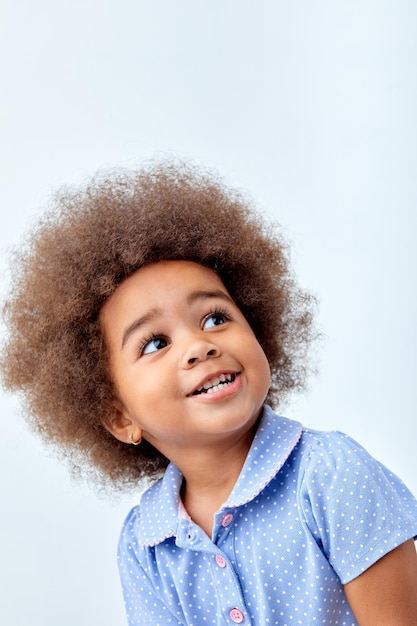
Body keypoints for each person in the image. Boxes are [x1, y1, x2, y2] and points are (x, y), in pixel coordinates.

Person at [1, 162, 417, 626]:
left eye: (215, 318)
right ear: (121, 418)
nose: (200, 345)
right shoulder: (147, 543)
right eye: (155, 343)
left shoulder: (330, 474)